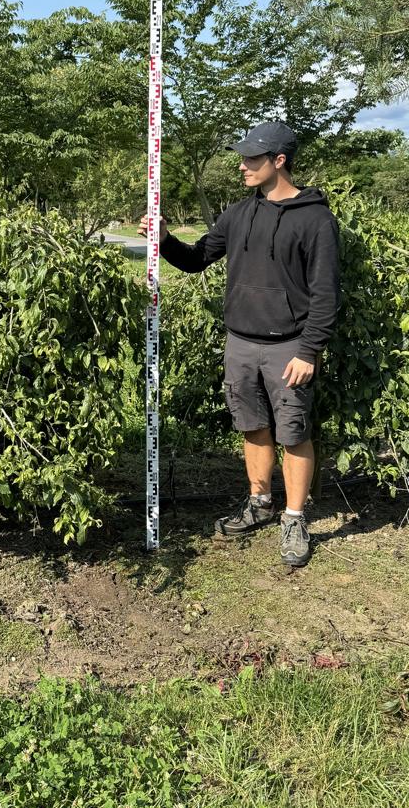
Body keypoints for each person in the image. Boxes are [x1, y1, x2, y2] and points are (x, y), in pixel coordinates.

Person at [138, 122, 339, 567]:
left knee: (294, 433)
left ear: (279, 161)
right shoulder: (237, 213)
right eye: (243, 157)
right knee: (252, 426)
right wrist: (166, 238)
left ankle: (293, 517)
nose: (243, 165)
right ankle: (260, 502)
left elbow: (325, 294)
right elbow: (195, 261)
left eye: (252, 158)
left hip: (290, 347)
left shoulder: (315, 219)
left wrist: (309, 351)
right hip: (240, 343)